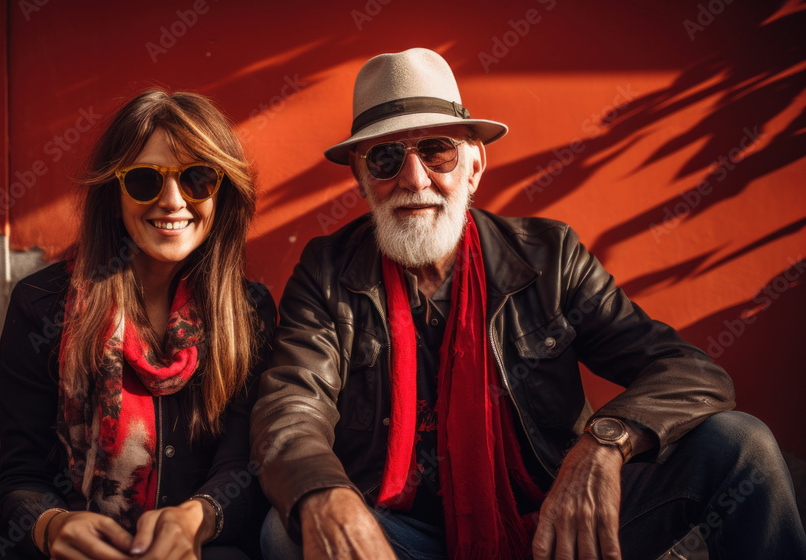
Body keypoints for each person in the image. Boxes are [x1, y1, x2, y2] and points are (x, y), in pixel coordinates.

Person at [250, 48, 806, 560]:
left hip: (555, 522)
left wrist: (604, 445)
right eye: (387, 158)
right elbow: (291, 409)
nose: (414, 179)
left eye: (438, 152)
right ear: (360, 177)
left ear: (474, 167)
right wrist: (325, 492)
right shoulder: (327, 270)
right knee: (289, 528)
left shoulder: (550, 255)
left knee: (739, 444)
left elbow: (689, 371)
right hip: (404, 540)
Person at [0, 89, 275, 560]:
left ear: (222, 191)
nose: (172, 201)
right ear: (114, 192)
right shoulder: (41, 306)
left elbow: (242, 469)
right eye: (145, 180)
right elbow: (21, 475)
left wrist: (196, 519)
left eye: (198, 179)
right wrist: (51, 526)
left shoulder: (248, 311)